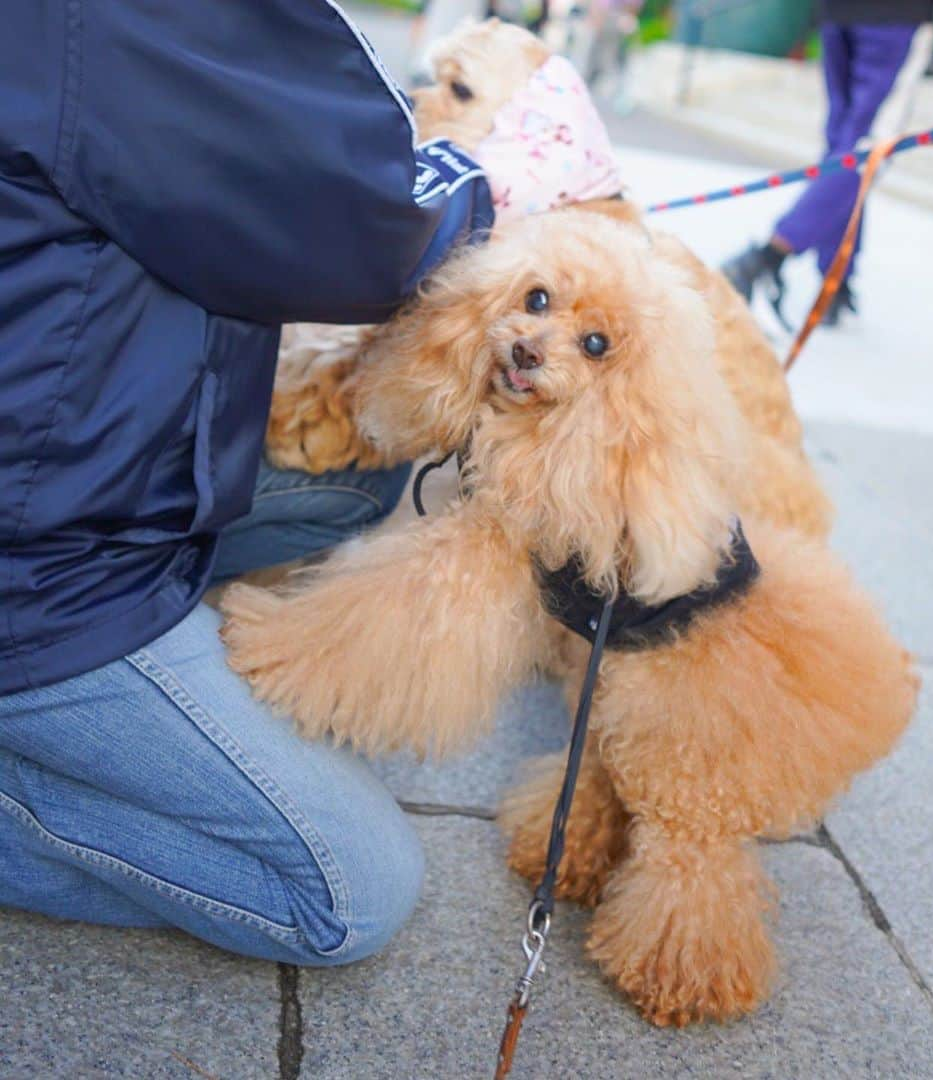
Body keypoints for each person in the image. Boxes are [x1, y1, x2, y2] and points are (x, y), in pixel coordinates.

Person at [0, 0, 560, 966]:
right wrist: (486, 178)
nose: (435, 99)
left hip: (71, 468)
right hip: (41, 568)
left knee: (356, 481)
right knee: (351, 892)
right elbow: (362, 226)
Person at [722, 0, 933, 326]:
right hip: (892, 17)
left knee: (844, 145)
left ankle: (834, 280)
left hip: (839, 14)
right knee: (867, 150)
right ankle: (769, 255)